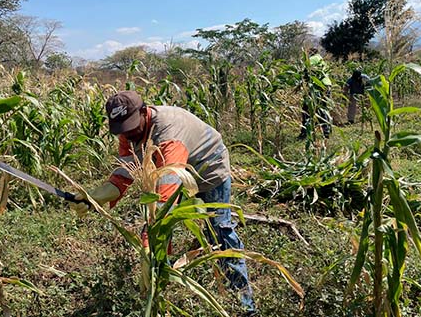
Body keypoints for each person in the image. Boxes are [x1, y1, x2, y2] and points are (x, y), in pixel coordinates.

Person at [70, 90, 257, 315]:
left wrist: (147, 241)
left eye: (131, 127)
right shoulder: (128, 132)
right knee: (162, 233)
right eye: (122, 130)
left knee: (219, 231)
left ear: (144, 112)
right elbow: (122, 176)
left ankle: (244, 304)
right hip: (176, 172)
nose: (128, 134)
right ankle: (161, 289)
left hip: (209, 168)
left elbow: (165, 199)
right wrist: (93, 197)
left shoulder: (169, 134)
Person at [298, 53, 333, 140]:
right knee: (322, 108)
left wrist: (302, 77)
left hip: (317, 87)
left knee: (306, 110)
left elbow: (309, 71)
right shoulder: (321, 60)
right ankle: (326, 132)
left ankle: (304, 133)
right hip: (327, 85)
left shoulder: (312, 59)